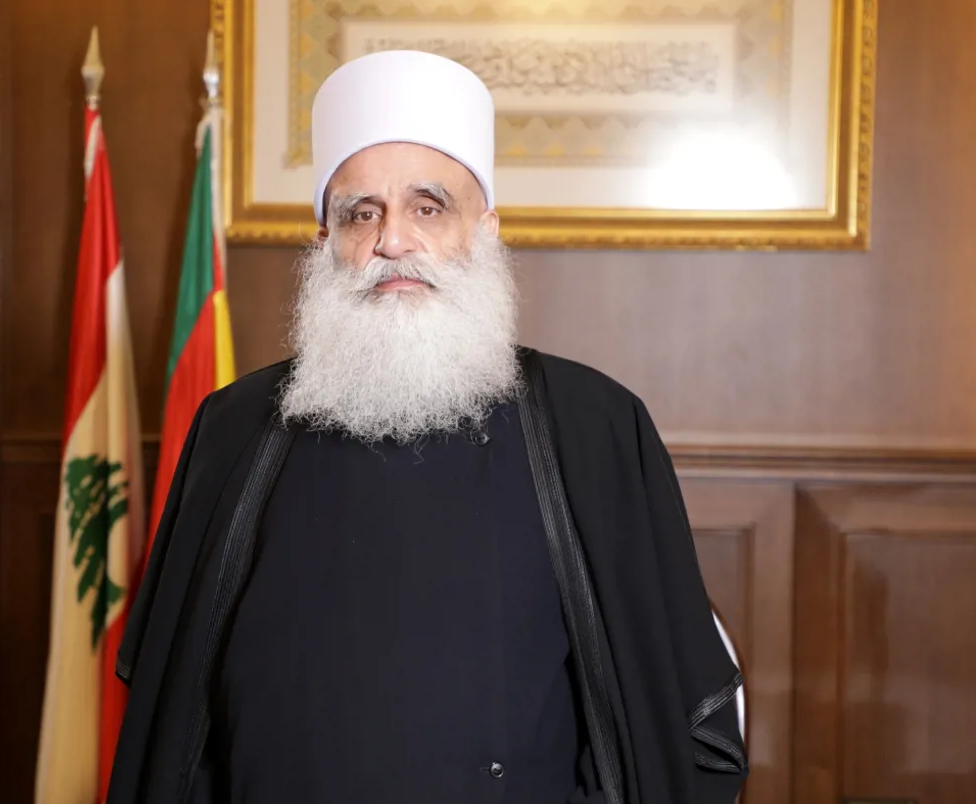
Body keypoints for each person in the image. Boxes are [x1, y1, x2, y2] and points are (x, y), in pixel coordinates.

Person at [106, 50, 747, 804]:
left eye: (429, 207)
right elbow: (174, 715)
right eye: (362, 213)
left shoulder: (595, 426)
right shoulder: (235, 427)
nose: (393, 241)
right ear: (326, 241)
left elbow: (669, 714)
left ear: (486, 231)